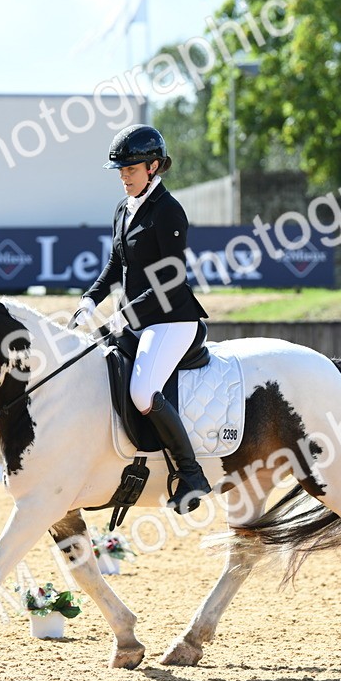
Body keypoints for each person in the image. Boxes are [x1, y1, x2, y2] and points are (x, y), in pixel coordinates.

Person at [68, 124, 211, 514]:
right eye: (121, 170)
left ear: (153, 167)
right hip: (135, 320)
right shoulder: (123, 208)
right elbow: (115, 264)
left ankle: (191, 473)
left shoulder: (168, 210)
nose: (123, 177)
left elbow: (172, 278)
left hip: (171, 320)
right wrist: (90, 299)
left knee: (143, 393)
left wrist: (127, 314)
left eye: (130, 169)